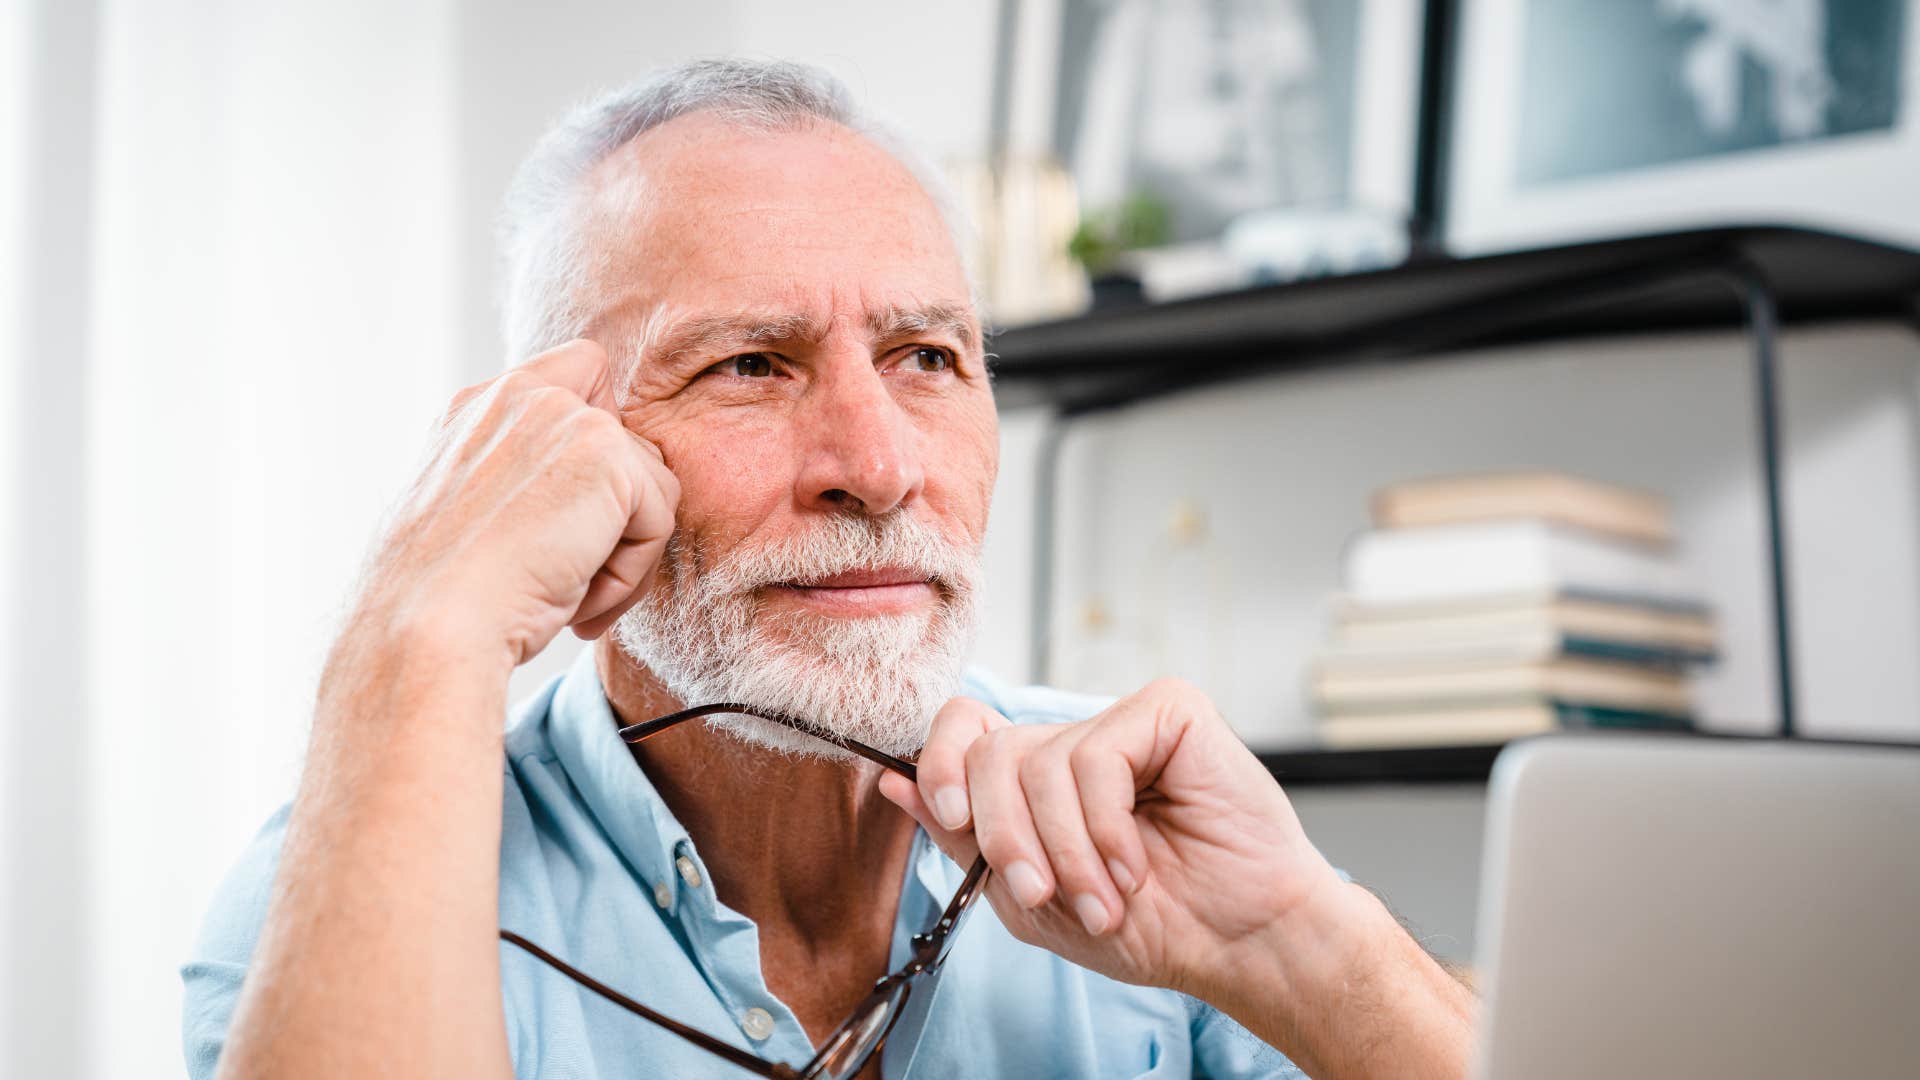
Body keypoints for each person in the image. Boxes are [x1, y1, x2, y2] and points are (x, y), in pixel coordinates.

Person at [182, 58, 1475, 1079]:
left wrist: (1294, 948)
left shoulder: (1129, 826)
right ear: (553, 453)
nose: (880, 463)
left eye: (927, 358)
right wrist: (417, 631)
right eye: (749, 363)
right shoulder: (345, 889)